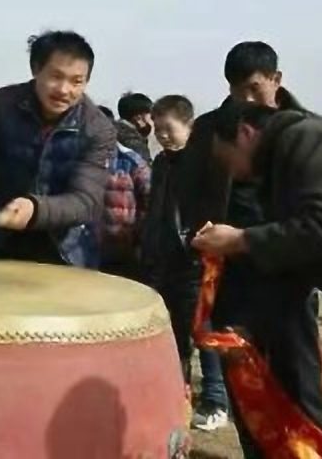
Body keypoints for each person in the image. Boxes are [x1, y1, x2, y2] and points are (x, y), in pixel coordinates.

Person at [193, 101, 322, 458]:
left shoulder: (308, 139)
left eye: (226, 156)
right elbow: (301, 254)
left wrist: (240, 239)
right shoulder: (281, 169)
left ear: (246, 133)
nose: (228, 170)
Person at [179, 41, 322, 456]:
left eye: (254, 87)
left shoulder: (308, 129)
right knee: (244, 386)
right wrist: (203, 232)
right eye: (235, 89)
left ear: (277, 80)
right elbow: (187, 194)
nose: (245, 99)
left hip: (290, 278)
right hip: (231, 280)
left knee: (299, 382)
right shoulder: (210, 130)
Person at [0, 31, 116, 267]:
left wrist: (36, 210)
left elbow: (85, 200)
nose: (64, 90)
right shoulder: (1, 105)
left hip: (64, 255)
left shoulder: (97, 128)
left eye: (77, 81)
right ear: (35, 69)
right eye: (56, 76)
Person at [140, 95, 229, 432]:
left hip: (195, 260)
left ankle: (216, 400)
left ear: (188, 126)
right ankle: (177, 396)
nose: (161, 135)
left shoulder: (203, 162)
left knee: (204, 332)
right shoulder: (162, 163)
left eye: (168, 129)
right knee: (174, 335)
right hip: (165, 260)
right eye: (156, 128)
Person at [99, 137, 151, 281]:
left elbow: (150, 201)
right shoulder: (77, 154)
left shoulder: (130, 161)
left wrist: (139, 238)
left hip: (120, 246)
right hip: (82, 248)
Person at [115, 91, 154, 162]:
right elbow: (145, 169)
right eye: (151, 115)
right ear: (138, 118)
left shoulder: (109, 132)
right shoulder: (133, 142)